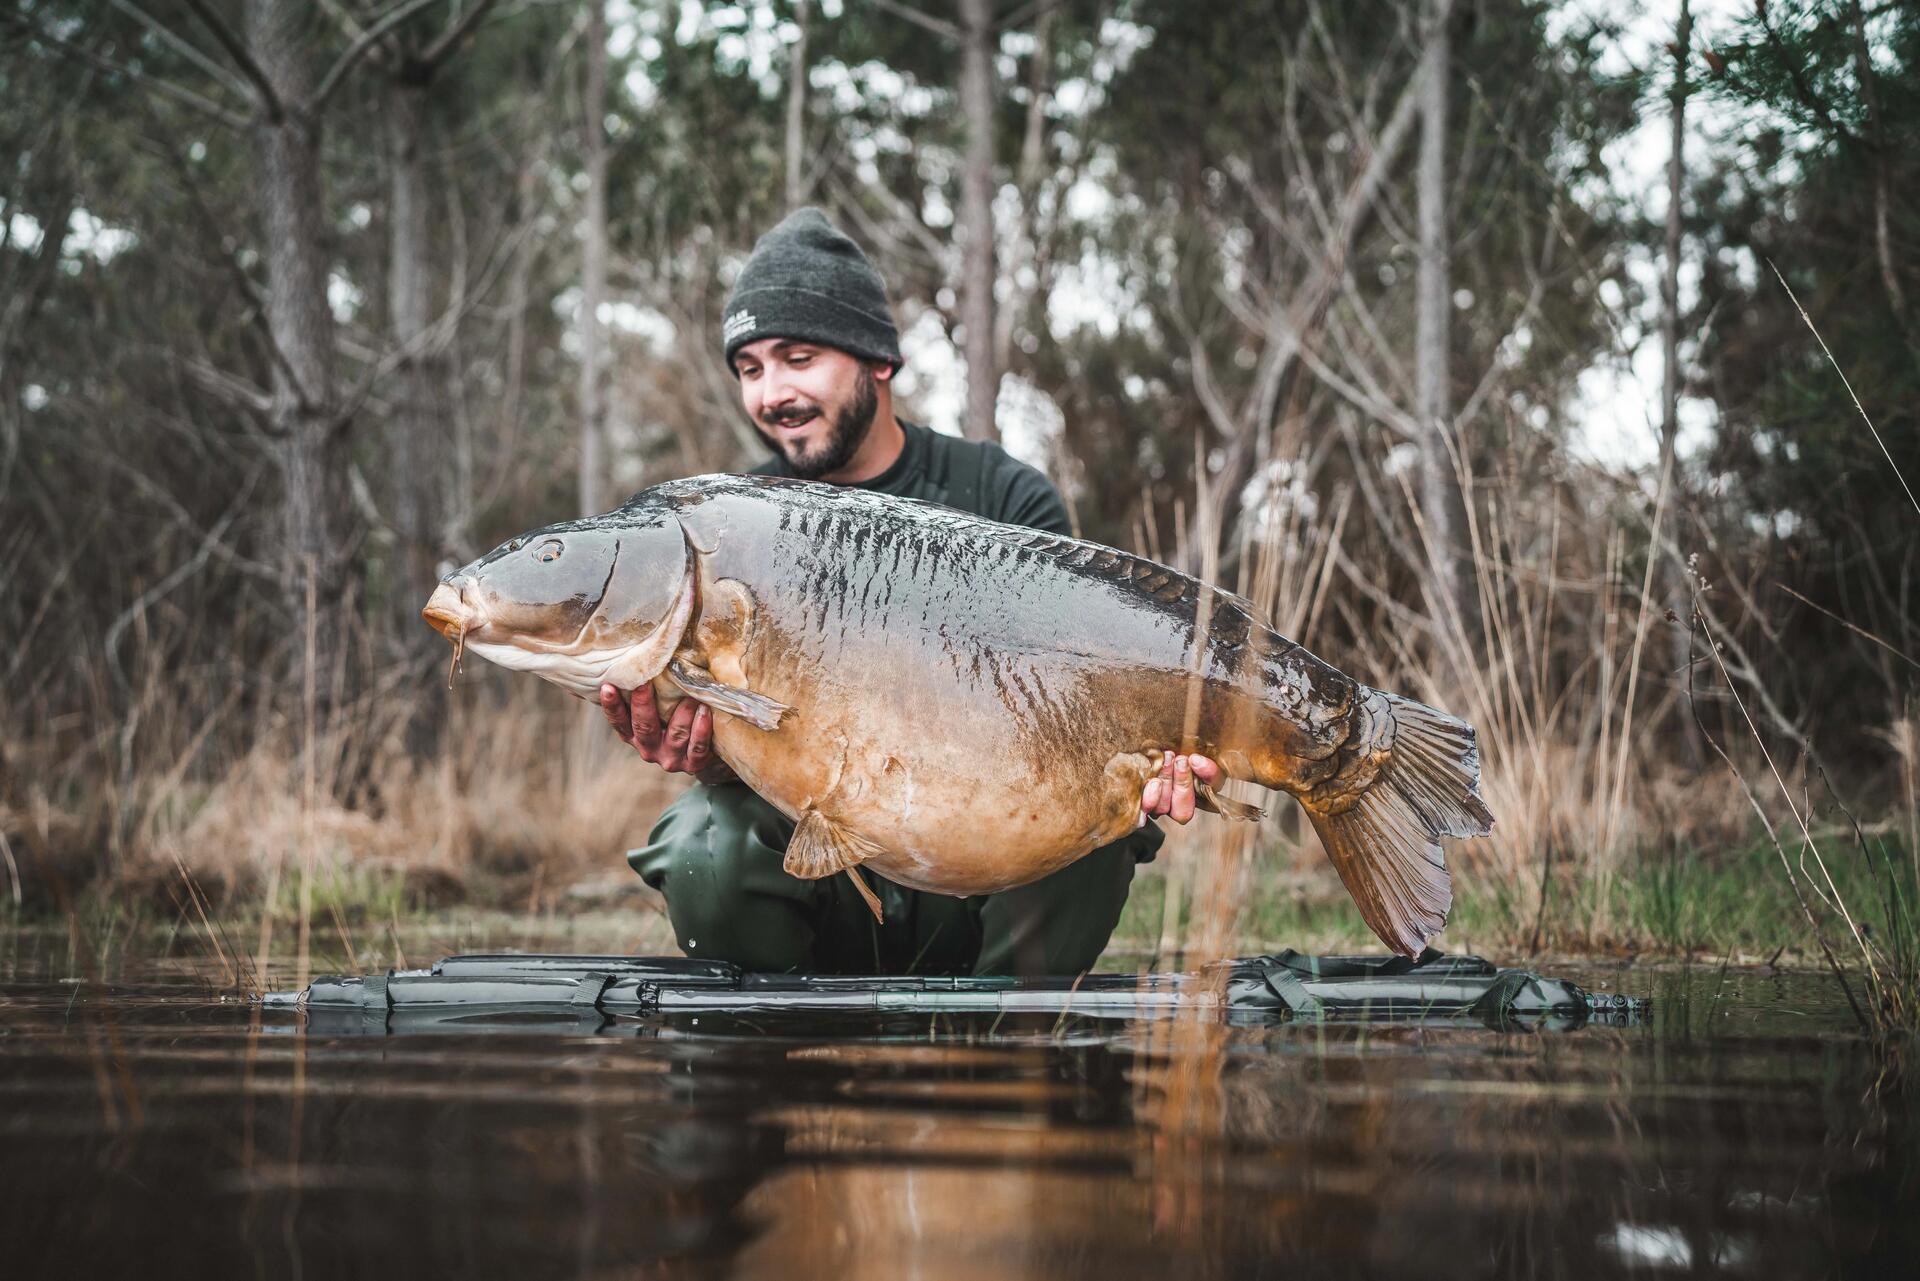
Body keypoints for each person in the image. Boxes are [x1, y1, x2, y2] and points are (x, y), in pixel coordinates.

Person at [599, 208, 1218, 976]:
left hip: (987, 868)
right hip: (826, 878)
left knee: (1093, 820)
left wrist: (1159, 748)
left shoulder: (1004, 497)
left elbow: (1083, 697)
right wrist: (708, 753)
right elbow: (760, 751)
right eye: (751, 369)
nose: (772, 393)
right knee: (702, 840)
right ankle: (790, 1041)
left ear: (880, 361)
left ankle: (1007, 1043)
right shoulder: (731, 528)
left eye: (798, 358)